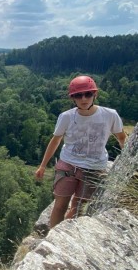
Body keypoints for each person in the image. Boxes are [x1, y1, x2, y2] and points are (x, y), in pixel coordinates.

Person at [35, 75, 126, 229]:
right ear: (73, 98)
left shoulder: (110, 115)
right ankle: (54, 237)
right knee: (60, 205)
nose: (84, 99)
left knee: (77, 207)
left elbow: (122, 138)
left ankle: (65, 233)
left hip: (94, 168)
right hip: (68, 165)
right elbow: (55, 140)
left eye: (88, 94)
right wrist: (42, 166)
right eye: (78, 95)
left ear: (94, 95)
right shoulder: (66, 117)